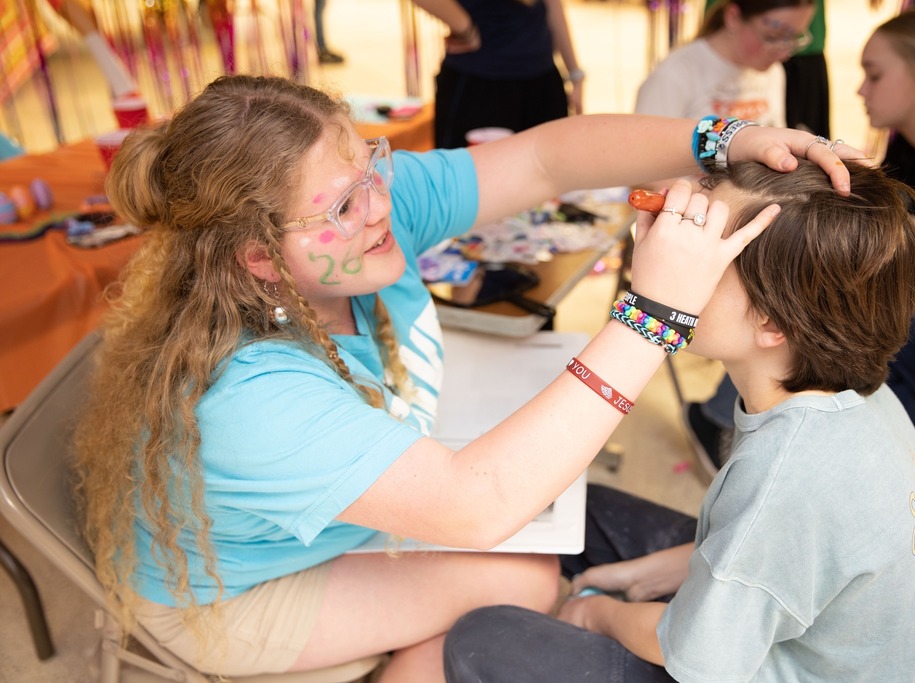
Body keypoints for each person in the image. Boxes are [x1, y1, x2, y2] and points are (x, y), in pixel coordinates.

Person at [70, 74, 853, 682]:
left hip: (310, 527)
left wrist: (724, 139)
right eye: (344, 203)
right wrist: (652, 312)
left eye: (371, 166)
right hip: (227, 597)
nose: (380, 204)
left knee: (539, 536)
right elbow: (476, 506)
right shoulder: (244, 394)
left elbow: (546, 158)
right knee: (522, 574)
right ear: (259, 259)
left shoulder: (363, 214)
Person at [445, 160, 915, 683]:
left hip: (726, 664)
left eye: (702, 257)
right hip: (804, 601)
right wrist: (634, 576)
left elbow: (699, 658)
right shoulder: (858, 394)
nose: (672, 262)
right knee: (588, 509)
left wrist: (597, 613)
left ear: (774, 321)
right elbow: (759, 550)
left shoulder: (786, 478)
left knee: (482, 640)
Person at [686, 4, 915, 490]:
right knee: (802, 306)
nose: (860, 89)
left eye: (874, 75)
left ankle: (911, 483)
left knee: (859, 334)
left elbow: (879, 269)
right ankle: (729, 422)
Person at [412, 0, 585, 148]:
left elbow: (552, 5)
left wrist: (574, 72)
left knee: (551, 178)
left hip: (542, 81)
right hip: (479, 83)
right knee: (469, 179)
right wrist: (465, 27)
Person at [636, 0, 816, 128]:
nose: (784, 53)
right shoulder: (673, 75)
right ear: (733, 17)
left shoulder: (772, 71)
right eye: (773, 37)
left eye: (794, 39)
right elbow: (641, 166)